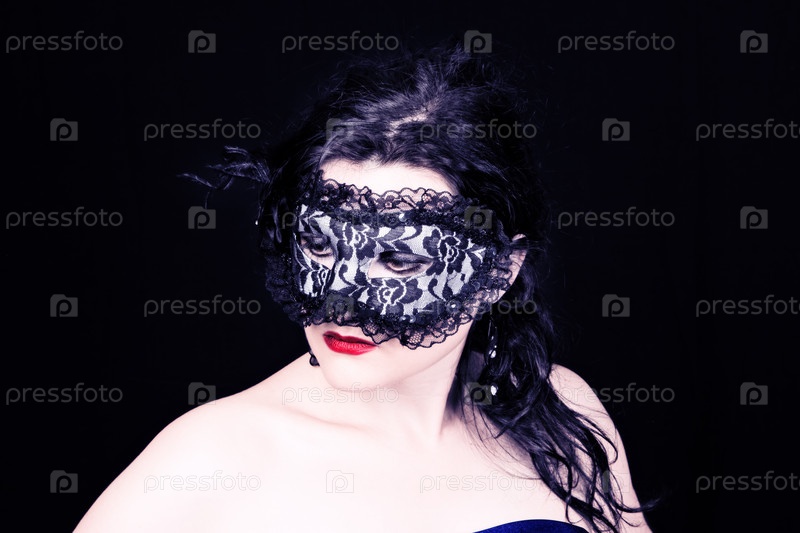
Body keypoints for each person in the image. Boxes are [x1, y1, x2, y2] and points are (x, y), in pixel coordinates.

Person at [75, 42, 654, 533]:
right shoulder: (213, 458)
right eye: (320, 245)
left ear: (499, 273)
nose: (341, 302)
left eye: (400, 260)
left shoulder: (559, 411)